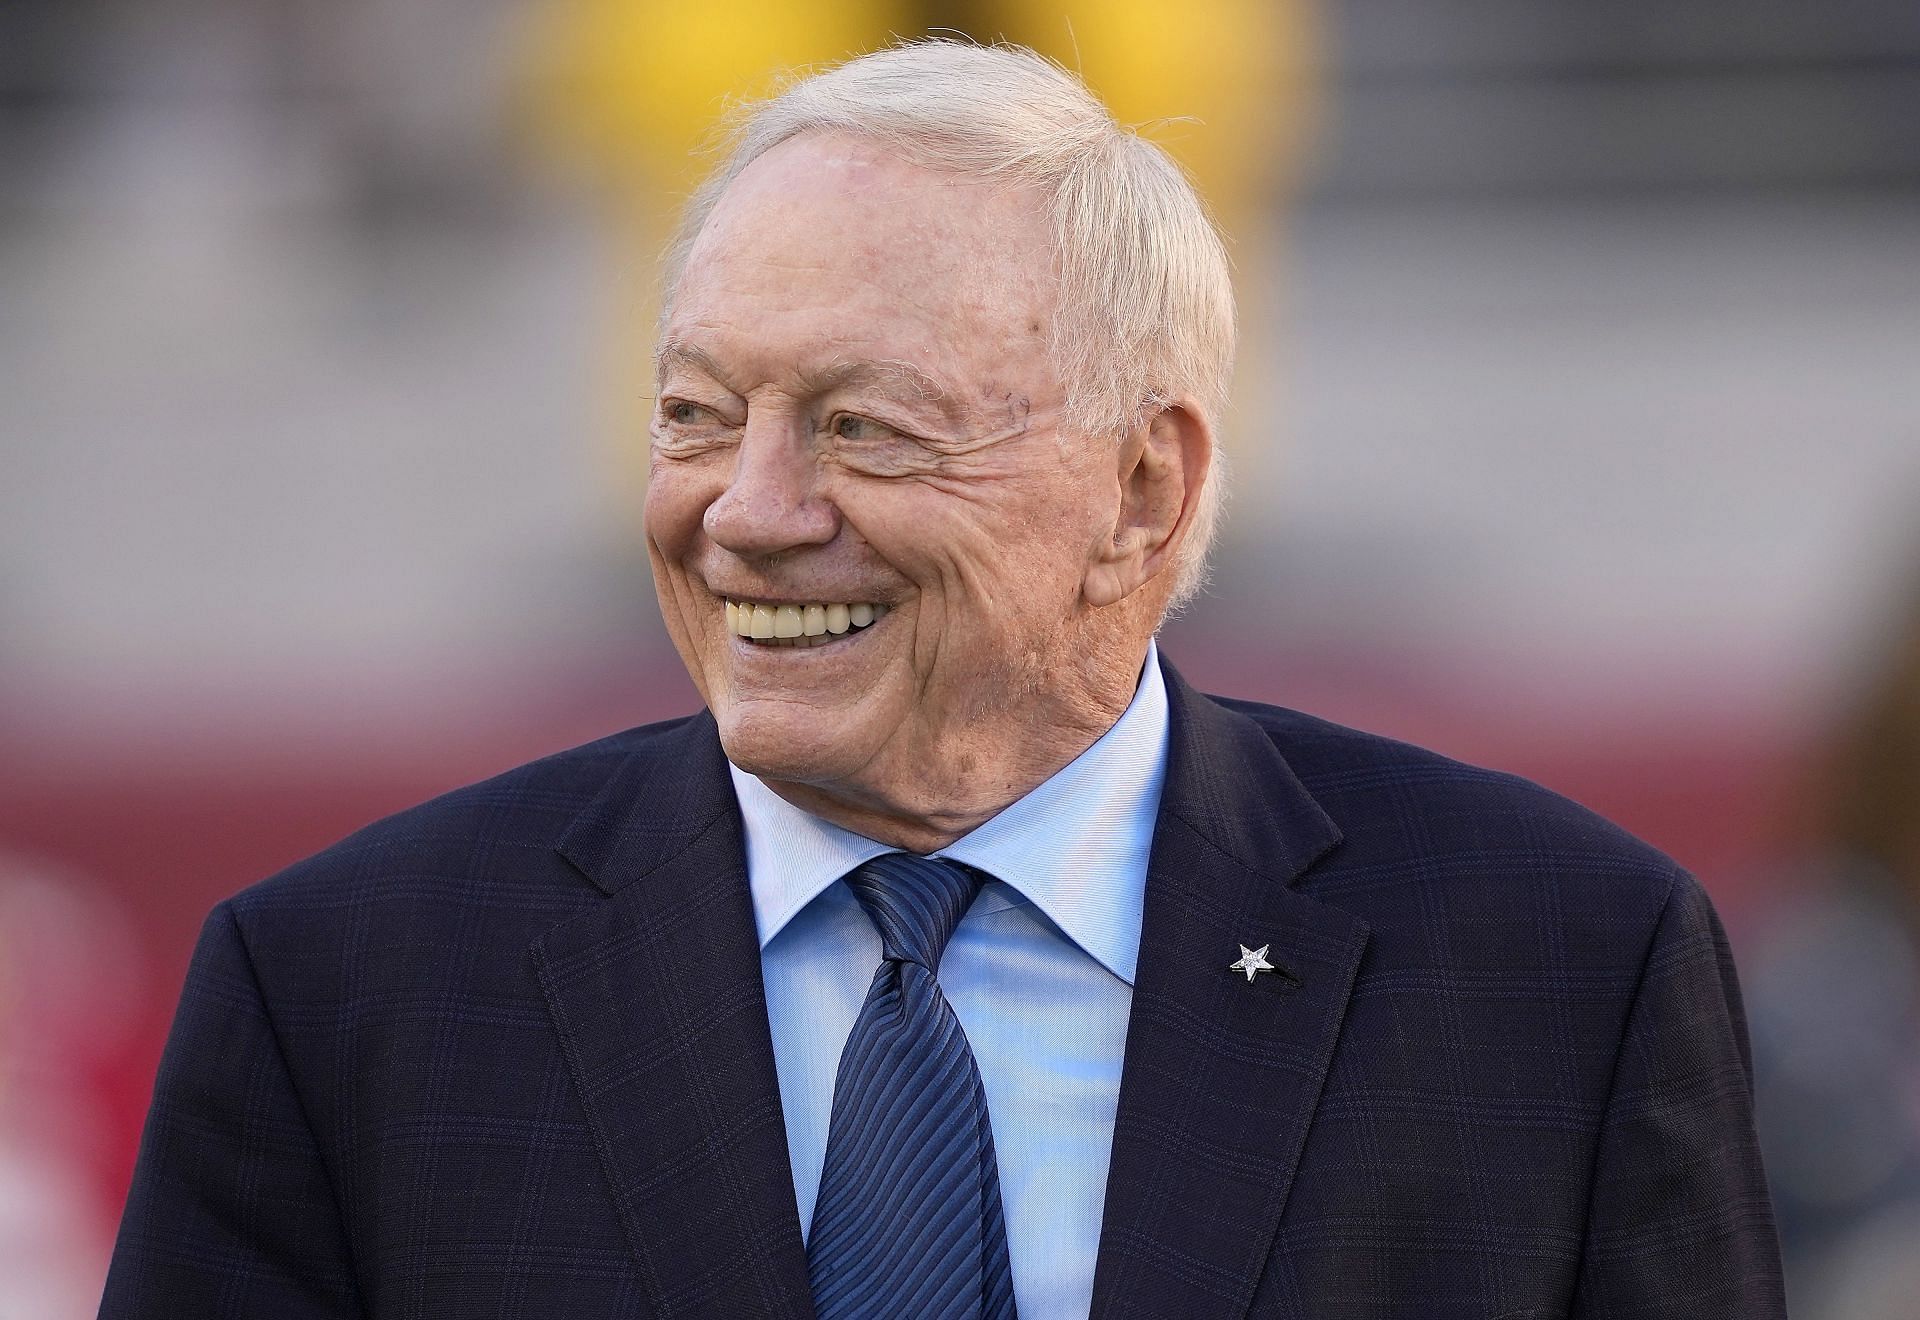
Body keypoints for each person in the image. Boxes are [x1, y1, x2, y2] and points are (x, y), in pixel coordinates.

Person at [100, 41, 1784, 1320]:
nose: (747, 516)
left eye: (864, 429)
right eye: (696, 414)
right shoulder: (345, 992)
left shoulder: (1559, 967)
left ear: (1145, 491)